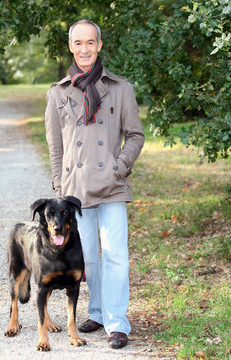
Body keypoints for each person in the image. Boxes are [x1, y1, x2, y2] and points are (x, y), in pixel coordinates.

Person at [44, 19, 145, 349]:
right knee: (88, 258)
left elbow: (135, 135)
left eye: (91, 42)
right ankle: (98, 312)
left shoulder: (120, 88)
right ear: (70, 46)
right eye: (78, 43)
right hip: (75, 191)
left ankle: (117, 323)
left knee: (116, 254)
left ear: (99, 45)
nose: (84, 49)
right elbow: (55, 145)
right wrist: (60, 188)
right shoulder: (58, 92)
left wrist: (118, 168)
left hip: (112, 184)